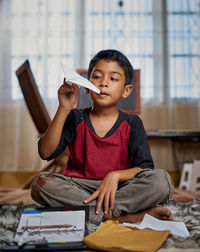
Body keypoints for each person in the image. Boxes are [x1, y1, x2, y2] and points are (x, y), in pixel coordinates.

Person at [31, 49, 174, 232]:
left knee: (162, 181)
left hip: (120, 190)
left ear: (126, 90)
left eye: (113, 79)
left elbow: (144, 169)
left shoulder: (132, 123)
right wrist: (64, 108)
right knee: (41, 183)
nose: (104, 83)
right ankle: (122, 217)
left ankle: (94, 214)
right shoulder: (75, 117)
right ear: (87, 84)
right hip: (80, 189)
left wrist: (115, 175)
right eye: (97, 76)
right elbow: (45, 152)